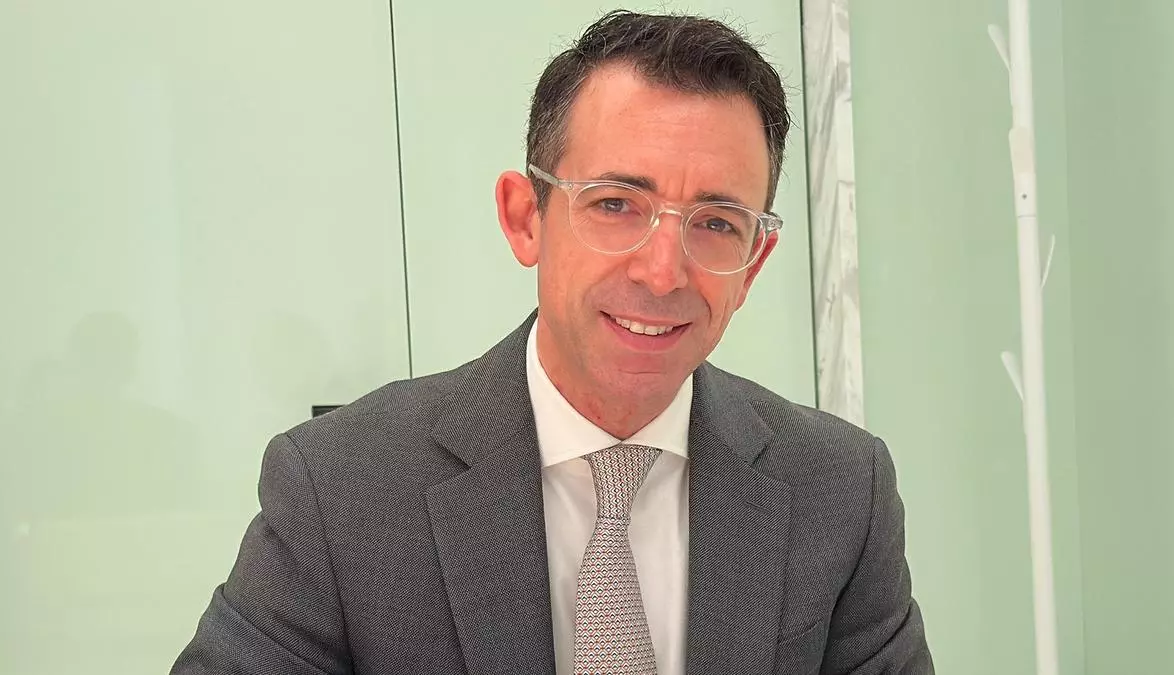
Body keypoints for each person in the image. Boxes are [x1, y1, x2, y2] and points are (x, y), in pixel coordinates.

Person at [172, 10, 932, 675]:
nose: (662, 271)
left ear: (754, 262)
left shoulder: (840, 492)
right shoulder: (341, 488)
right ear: (524, 218)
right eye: (616, 204)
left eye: (715, 223)